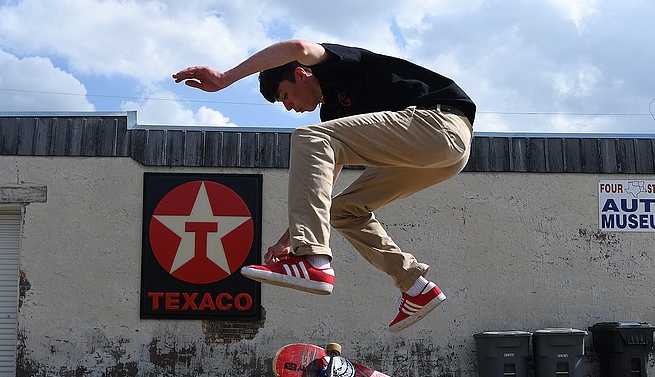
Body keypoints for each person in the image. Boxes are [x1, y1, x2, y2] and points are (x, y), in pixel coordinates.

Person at [173, 40, 475, 332]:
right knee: (343, 210)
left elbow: (297, 49)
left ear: (302, 73)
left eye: (285, 95)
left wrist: (226, 78)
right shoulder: (333, 116)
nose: (289, 107)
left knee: (308, 136)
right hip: (441, 156)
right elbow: (321, 183)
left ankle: (314, 261)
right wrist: (287, 241)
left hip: (438, 124)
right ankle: (415, 285)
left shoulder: (337, 66)